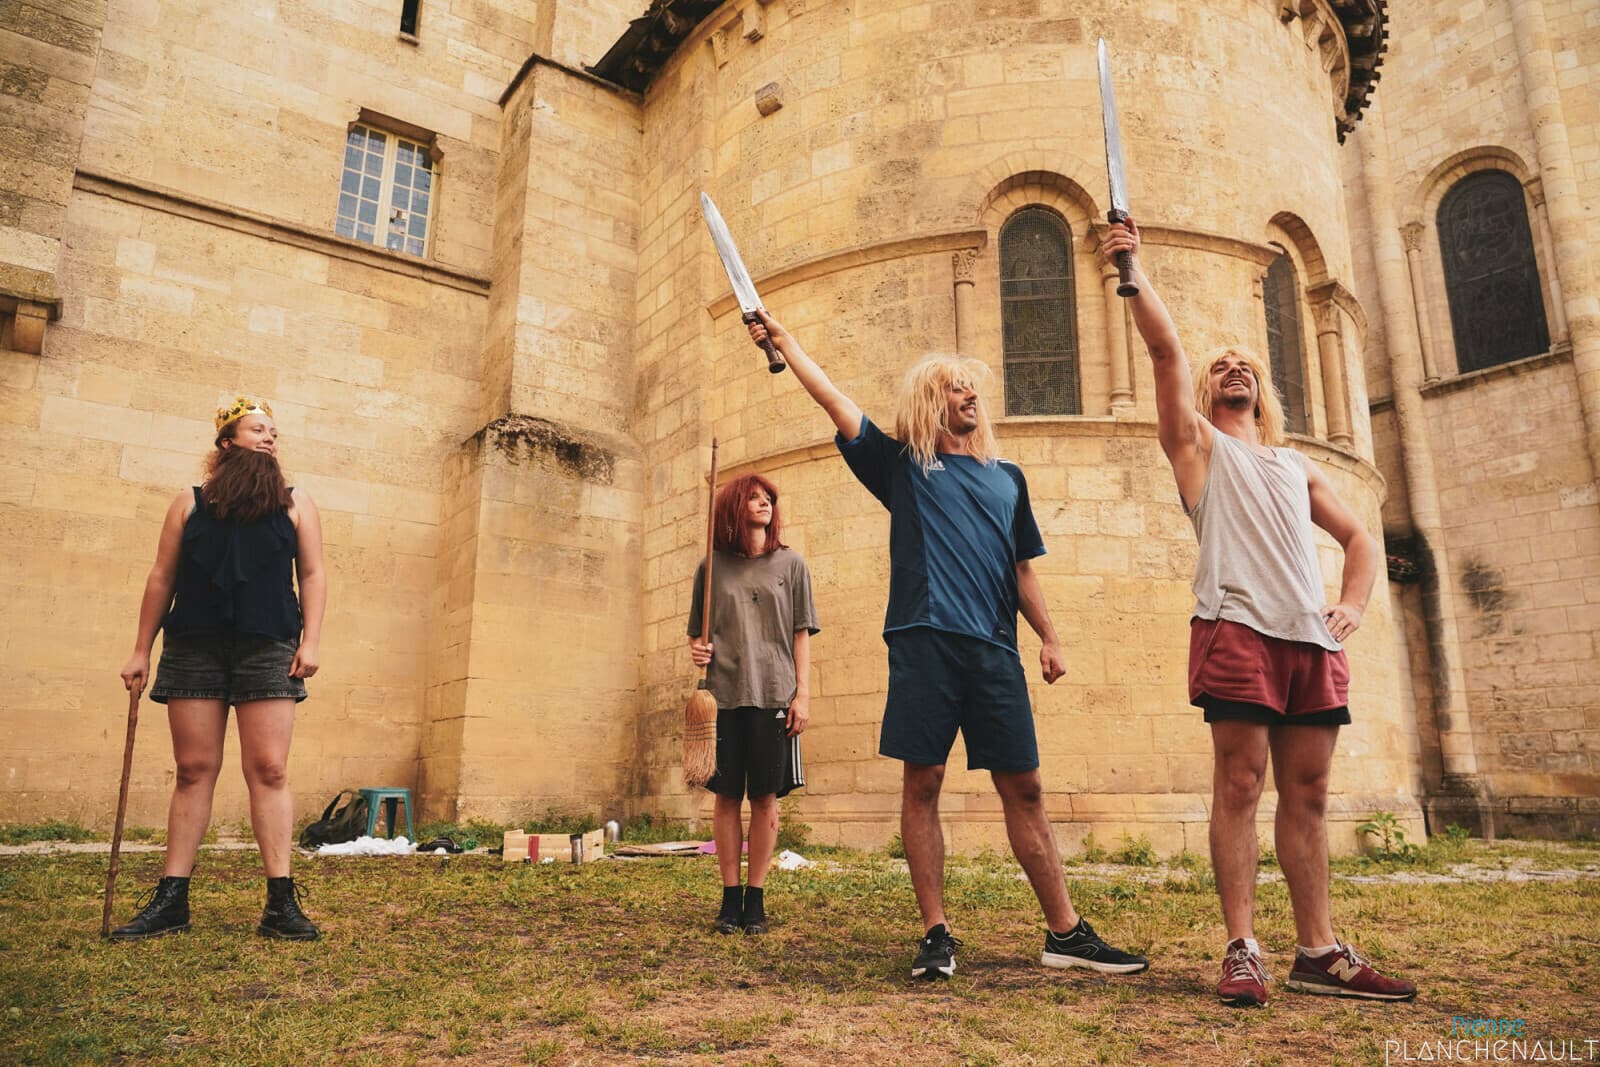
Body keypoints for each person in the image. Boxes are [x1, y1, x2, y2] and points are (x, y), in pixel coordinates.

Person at [746, 314, 1148, 980]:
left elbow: (1022, 567)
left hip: (995, 651)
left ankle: (1066, 933)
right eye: (956, 388)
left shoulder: (1007, 478)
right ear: (933, 401)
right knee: (923, 781)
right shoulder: (904, 468)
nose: (971, 396)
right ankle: (936, 934)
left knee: (1026, 788)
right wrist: (786, 346)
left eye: (973, 388)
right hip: (924, 644)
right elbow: (837, 403)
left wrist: (1049, 635)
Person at [1100, 220, 1417, 1005]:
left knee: (1307, 795)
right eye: (1222, 366)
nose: (1233, 367)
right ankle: (1242, 947)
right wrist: (1133, 267)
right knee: (1240, 784)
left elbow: (1357, 536)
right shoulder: (1198, 448)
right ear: (1209, 393)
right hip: (1236, 628)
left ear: (1262, 390)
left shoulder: (1294, 463)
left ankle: (1318, 950)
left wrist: (1349, 602)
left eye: (1245, 362)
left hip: (1309, 637)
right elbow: (1166, 352)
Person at [113, 397, 326, 942]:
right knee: (193, 769)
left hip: (269, 647)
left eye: (275, 432)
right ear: (227, 442)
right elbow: (161, 577)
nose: (270, 438)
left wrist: (312, 641)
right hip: (194, 647)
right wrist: (141, 648)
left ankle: (281, 904)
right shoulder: (188, 503)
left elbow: (314, 574)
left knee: (270, 769)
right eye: (258, 430)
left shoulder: (297, 504)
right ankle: (171, 901)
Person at [688, 473, 819, 935]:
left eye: (768, 499)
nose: (764, 503)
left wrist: (802, 694)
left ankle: (756, 899)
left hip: (775, 696)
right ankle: (729, 899)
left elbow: (801, 633)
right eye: (754, 498)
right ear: (733, 507)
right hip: (722, 697)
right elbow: (698, 636)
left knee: (764, 798)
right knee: (726, 797)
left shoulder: (792, 564)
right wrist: (698, 651)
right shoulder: (712, 567)